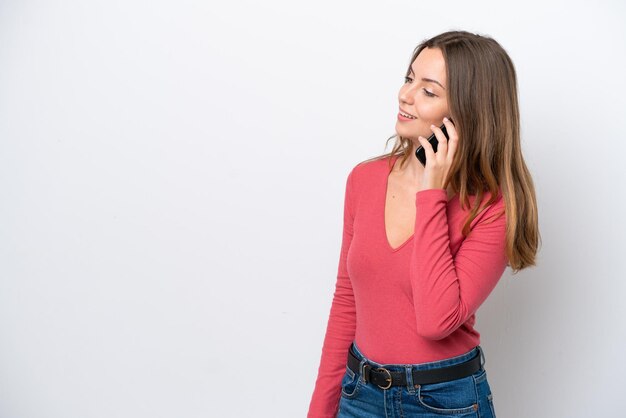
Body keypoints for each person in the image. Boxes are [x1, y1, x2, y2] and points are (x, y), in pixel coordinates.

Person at [307, 30, 540, 418]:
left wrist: (431, 192)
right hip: (358, 395)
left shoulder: (495, 207)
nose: (406, 95)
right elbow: (347, 303)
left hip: (445, 403)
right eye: (408, 78)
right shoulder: (364, 181)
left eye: (428, 91)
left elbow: (436, 322)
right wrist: (320, 411)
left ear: (469, 110)